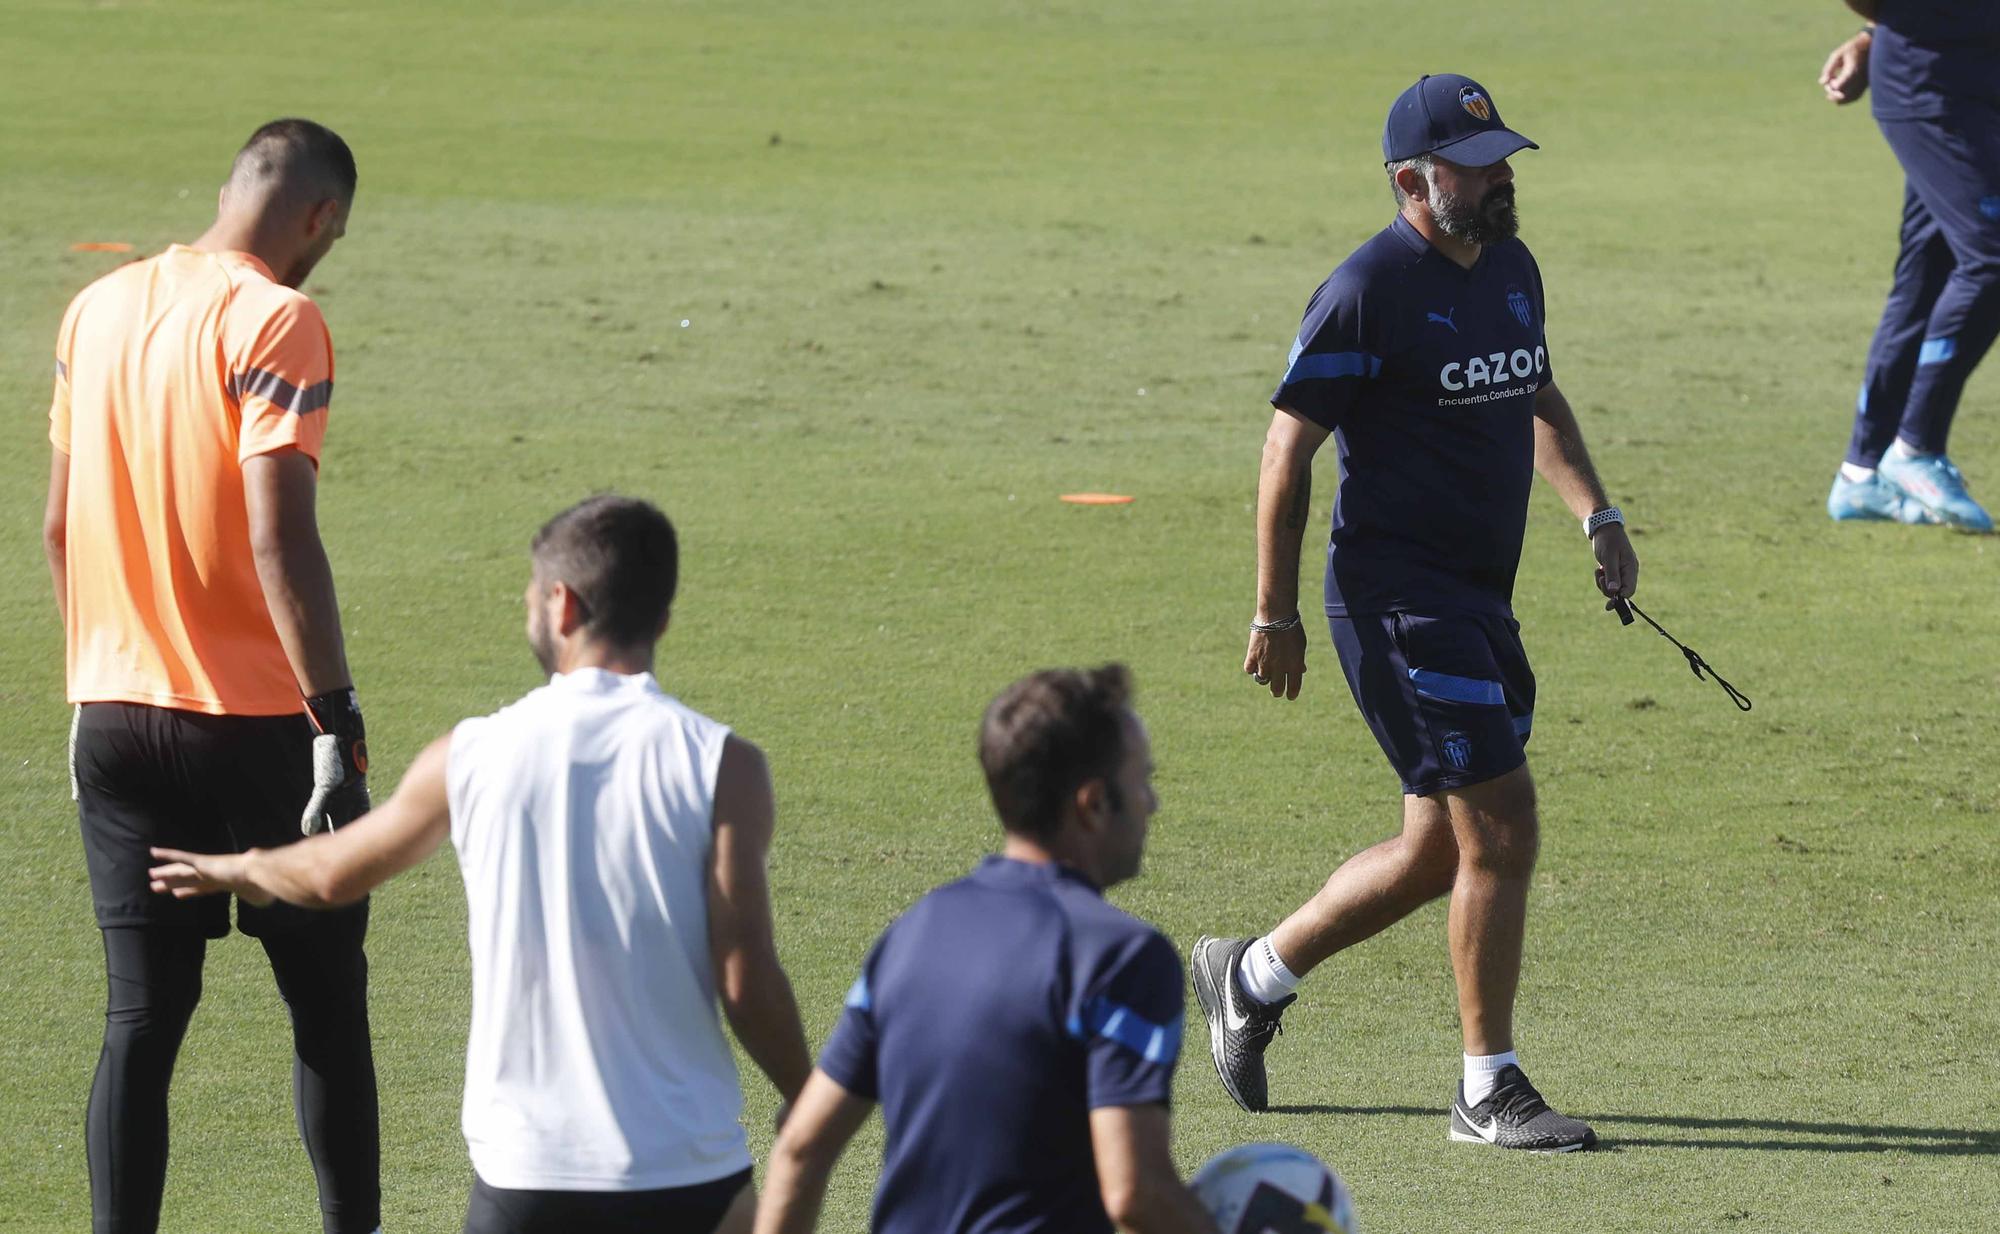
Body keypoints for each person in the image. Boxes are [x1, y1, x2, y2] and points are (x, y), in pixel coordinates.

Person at [148, 496, 815, 1234]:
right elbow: (744, 977)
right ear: (660, 619)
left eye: (531, 594)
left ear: (562, 606)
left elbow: (334, 874)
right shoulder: (727, 767)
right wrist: (806, 1092)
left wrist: (244, 870)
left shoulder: (469, 756)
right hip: (690, 1176)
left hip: (527, 1178)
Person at [1193, 74, 1639, 1153]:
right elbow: (1283, 448)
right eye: (1474, 167)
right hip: (1395, 604)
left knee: (1437, 851)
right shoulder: (1365, 289)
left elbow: (1531, 389)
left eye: (1503, 162)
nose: (1499, 181)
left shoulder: (1512, 268)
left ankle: (1247, 976)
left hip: (1480, 595)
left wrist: (1594, 512)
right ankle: (1485, 1090)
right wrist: (1273, 610)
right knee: (1503, 827)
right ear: (1409, 181)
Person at [43, 118, 380, 1233]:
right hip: (254, 728)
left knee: (141, 1018)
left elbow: (56, 527)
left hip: (115, 716)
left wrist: (91, 680)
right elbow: (280, 536)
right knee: (326, 1008)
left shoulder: (96, 310)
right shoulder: (278, 319)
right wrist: (332, 717)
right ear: (319, 217)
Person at [754, 666, 1220, 1234]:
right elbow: (1135, 1193)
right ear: (1093, 803)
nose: (1153, 803)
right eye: (1143, 780)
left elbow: (801, 1145)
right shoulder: (1121, 958)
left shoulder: (913, 935)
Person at [1820, 1, 2000, 531]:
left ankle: (1860, 477)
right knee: (1992, 257)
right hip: (1934, 89)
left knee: (1929, 275)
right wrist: (1885, 26)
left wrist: (1870, 34)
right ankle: (1916, 448)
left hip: (1978, 87)